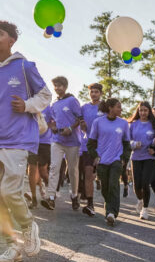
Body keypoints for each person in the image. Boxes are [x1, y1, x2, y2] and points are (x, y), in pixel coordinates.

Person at [0, 20, 48, 262]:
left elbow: (45, 95)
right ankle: (11, 246)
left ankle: (28, 226)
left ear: (11, 40)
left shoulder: (25, 67)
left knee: (10, 192)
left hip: (18, 140)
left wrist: (27, 105)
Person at [87, 98, 131, 226]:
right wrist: (95, 156)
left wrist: (124, 158)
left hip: (116, 160)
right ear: (110, 108)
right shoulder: (98, 122)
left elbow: (127, 144)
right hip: (102, 161)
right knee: (105, 188)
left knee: (113, 185)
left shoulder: (123, 123)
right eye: (118, 106)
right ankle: (110, 209)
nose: (121, 109)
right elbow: (91, 143)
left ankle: (111, 213)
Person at [43, 76, 82, 210]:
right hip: (57, 140)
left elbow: (79, 118)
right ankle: (51, 197)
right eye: (55, 86)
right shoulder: (54, 104)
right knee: (54, 167)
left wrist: (70, 128)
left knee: (72, 171)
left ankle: (75, 196)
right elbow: (49, 120)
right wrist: (52, 126)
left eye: (59, 85)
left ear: (65, 87)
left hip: (73, 142)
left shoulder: (72, 101)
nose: (57, 88)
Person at [128, 101, 155, 220]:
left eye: (145, 110)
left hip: (149, 157)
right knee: (137, 185)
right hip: (136, 157)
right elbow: (127, 141)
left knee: (145, 183)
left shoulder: (154, 125)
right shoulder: (133, 124)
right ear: (138, 111)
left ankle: (145, 209)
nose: (142, 113)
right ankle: (140, 200)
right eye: (141, 110)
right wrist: (133, 144)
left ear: (149, 112)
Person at [77, 83, 103, 216]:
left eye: (96, 92)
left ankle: (109, 202)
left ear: (101, 94)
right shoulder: (84, 107)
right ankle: (90, 204)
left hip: (103, 147)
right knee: (88, 174)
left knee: (102, 176)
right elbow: (78, 118)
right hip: (87, 146)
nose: (93, 94)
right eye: (91, 92)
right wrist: (81, 123)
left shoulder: (104, 107)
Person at [26, 106, 52, 209]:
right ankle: (34, 198)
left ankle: (49, 193)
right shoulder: (28, 106)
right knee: (32, 169)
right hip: (31, 142)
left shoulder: (48, 108)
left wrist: (45, 126)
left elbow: (54, 122)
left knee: (43, 172)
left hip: (44, 142)